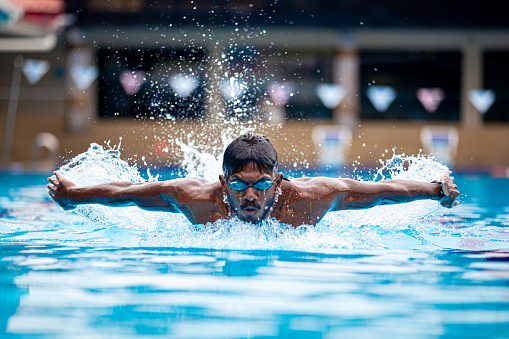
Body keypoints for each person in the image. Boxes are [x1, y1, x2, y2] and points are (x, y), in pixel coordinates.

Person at [47, 132, 459, 227]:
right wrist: (74, 195)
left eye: (261, 186)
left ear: (277, 182)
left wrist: (436, 191)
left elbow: (387, 192)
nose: (250, 196)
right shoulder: (193, 197)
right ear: (222, 182)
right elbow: (125, 194)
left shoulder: (312, 198)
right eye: (239, 185)